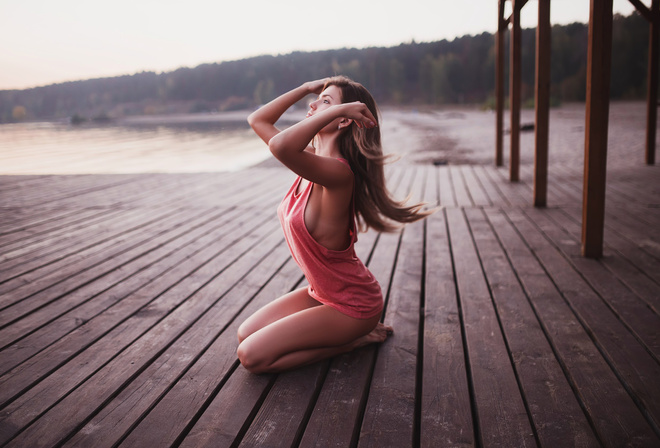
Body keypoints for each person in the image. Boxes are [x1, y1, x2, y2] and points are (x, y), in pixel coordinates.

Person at [237, 76, 430, 374]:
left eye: (326, 102)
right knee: (244, 334)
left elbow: (279, 145)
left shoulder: (339, 175)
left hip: (353, 306)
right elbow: (257, 119)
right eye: (316, 101)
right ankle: (345, 336)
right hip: (322, 293)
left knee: (252, 356)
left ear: (343, 120)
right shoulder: (312, 161)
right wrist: (305, 88)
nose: (313, 105)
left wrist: (336, 109)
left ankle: (352, 341)